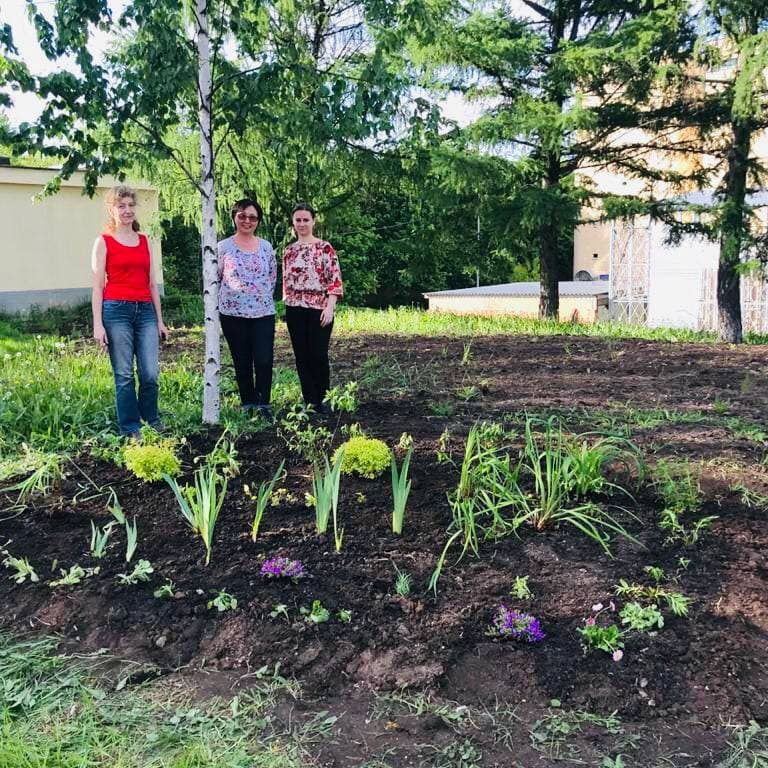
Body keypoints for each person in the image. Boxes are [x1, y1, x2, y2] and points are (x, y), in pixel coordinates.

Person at [91, 185, 168, 439]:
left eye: (130, 205)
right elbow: (97, 286)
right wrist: (98, 324)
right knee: (124, 374)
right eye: (121, 206)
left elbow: (152, 284)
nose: (127, 210)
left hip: (145, 311)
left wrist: (160, 321)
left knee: (150, 373)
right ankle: (130, 428)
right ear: (111, 209)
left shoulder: (144, 240)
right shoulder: (103, 242)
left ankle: (150, 419)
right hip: (116, 312)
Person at [218, 198, 277, 420]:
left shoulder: (266, 247)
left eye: (252, 217)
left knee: (263, 360)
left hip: (263, 313)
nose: (247, 221)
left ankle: (263, 404)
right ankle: (248, 404)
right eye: (242, 216)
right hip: (232, 314)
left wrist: (258, 297)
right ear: (234, 217)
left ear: (258, 221)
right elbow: (215, 279)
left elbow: (272, 277)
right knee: (242, 360)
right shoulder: (222, 248)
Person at [282, 203, 343, 413]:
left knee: (318, 355)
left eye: (305, 220)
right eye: (298, 220)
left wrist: (330, 307)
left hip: (319, 308)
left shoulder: (324, 248)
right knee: (302, 357)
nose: (302, 224)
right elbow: (286, 283)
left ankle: (324, 399)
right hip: (294, 309)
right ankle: (310, 402)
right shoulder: (289, 251)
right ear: (293, 223)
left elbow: (334, 280)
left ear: (313, 222)